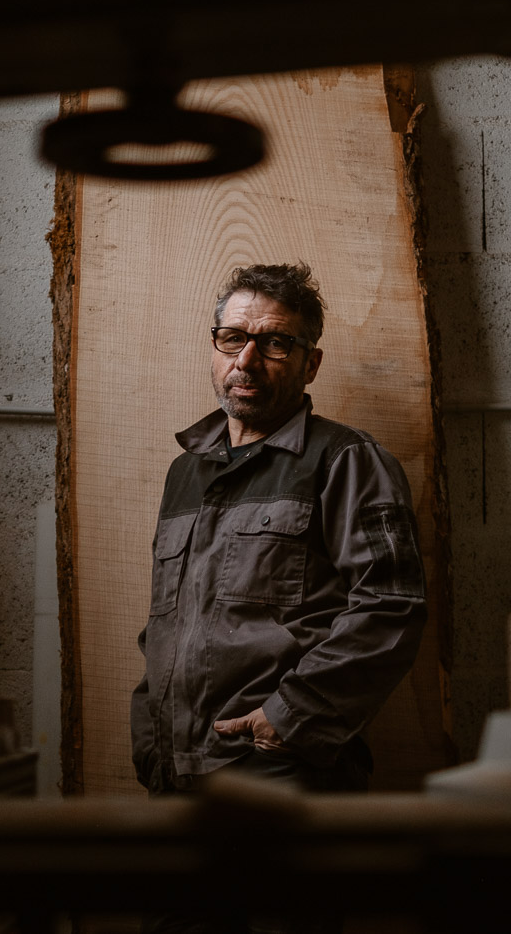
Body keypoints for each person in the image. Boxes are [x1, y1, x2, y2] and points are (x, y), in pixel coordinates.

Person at [130, 262, 428, 801]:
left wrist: (291, 718)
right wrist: (149, 738)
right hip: (173, 775)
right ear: (215, 346)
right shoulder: (186, 473)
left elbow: (391, 605)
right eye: (233, 338)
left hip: (284, 771)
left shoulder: (348, 461)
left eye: (274, 345)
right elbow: (167, 625)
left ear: (310, 364)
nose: (246, 360)